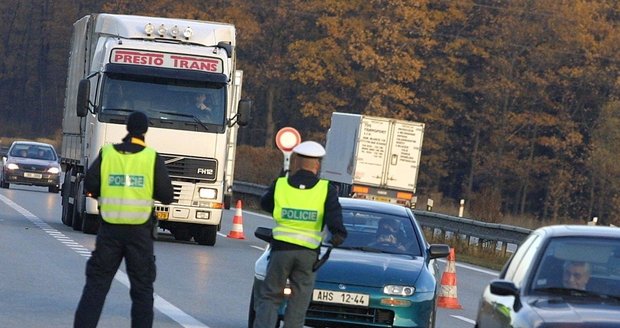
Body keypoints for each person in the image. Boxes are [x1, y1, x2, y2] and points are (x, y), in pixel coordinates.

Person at [74, 111, 174, 328]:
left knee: (96, 287)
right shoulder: (151, 157)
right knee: (142, 291)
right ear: (145, 130)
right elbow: (167, 195)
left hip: (109, 231)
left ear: (127, 128)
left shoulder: (108, 153)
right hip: (139, 234)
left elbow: (90, 184)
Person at [253, 141, 348, 328]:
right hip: (307, 255)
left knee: (270, 296)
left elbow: (265, 204)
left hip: (281, 251)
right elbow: (334, 217)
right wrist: (338, 234)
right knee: (298, 302)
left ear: (296, 162)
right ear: (318, 164)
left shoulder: (281, 185)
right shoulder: (325, 189)